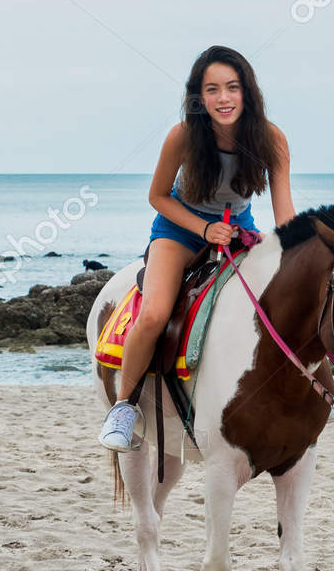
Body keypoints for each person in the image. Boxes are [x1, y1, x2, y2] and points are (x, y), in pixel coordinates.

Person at [99, 46, 294, 451]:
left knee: (280, 302)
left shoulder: (271, 139)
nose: (223, 98)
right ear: (198, 97)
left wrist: (299, 250)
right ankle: (122, 408)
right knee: (153, 314)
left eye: (232, 87)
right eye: (212, 89)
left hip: (240, 229)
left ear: (247, 92)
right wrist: (204, 230)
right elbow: (157, 197)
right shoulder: (184, 136)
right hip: (179, 228)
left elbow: (284, 213)